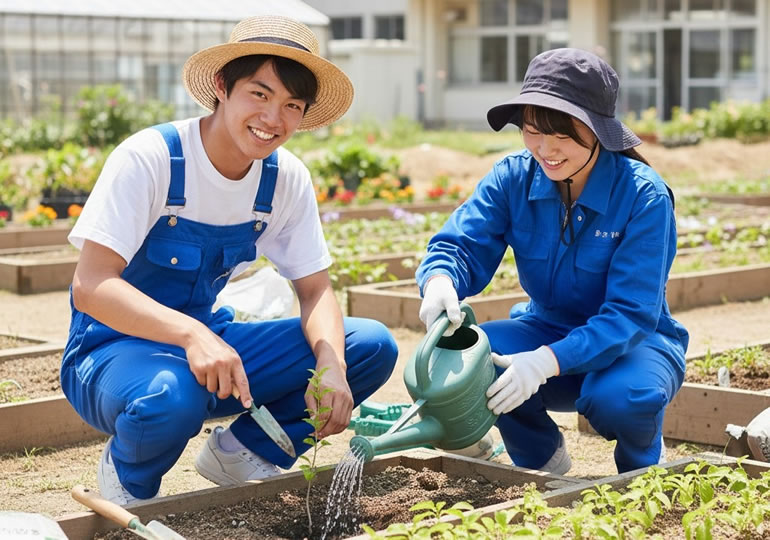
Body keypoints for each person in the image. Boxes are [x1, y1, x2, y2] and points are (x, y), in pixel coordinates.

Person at [61, 15, 398, 504]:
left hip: (209, 346)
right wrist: (191, 334)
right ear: (222, 86)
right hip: (111, 350)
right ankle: (128, 481)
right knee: (170, 395)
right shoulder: (153, 158)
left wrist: (331, 363)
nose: (273, 119)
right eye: (259, 94)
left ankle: (243, 451)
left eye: (292, 105)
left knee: (367, 345)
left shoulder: (283, 179)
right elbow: (91, 286)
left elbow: (315, 289)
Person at [416, 48, 689, 475]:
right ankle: (542, 462)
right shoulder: (513, 177)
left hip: (633, 345)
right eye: (532, 131)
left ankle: (643, 470)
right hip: (545, 327)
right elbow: (462, 244)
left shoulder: (643, 196)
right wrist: (440, 280)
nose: (545, 149)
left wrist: (546, 361)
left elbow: (630, 315)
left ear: (598, 129)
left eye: (562, 134)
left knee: (623, 399)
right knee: (470, 362)